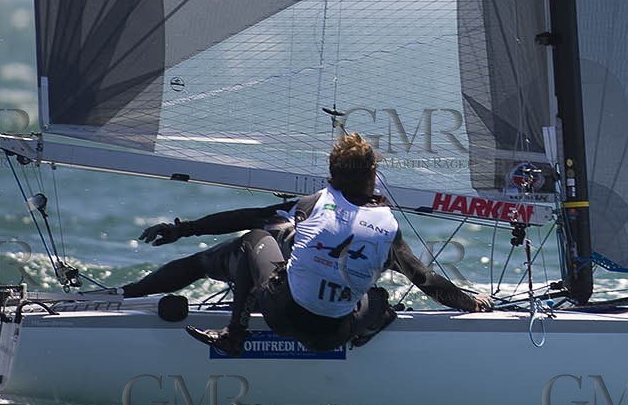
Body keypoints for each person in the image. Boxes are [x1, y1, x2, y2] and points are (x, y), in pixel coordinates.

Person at [121, 133, 492, 356]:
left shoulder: (309, 205)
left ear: (330, 174)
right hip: (334, 335)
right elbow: (425, 279)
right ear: (374, 176)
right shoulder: (388, 229)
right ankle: (372, 324)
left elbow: (247, 217)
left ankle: (233, 335)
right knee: (377, 298)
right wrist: (469, 302)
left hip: (284, 317)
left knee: (251, 242)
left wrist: (182, 229)